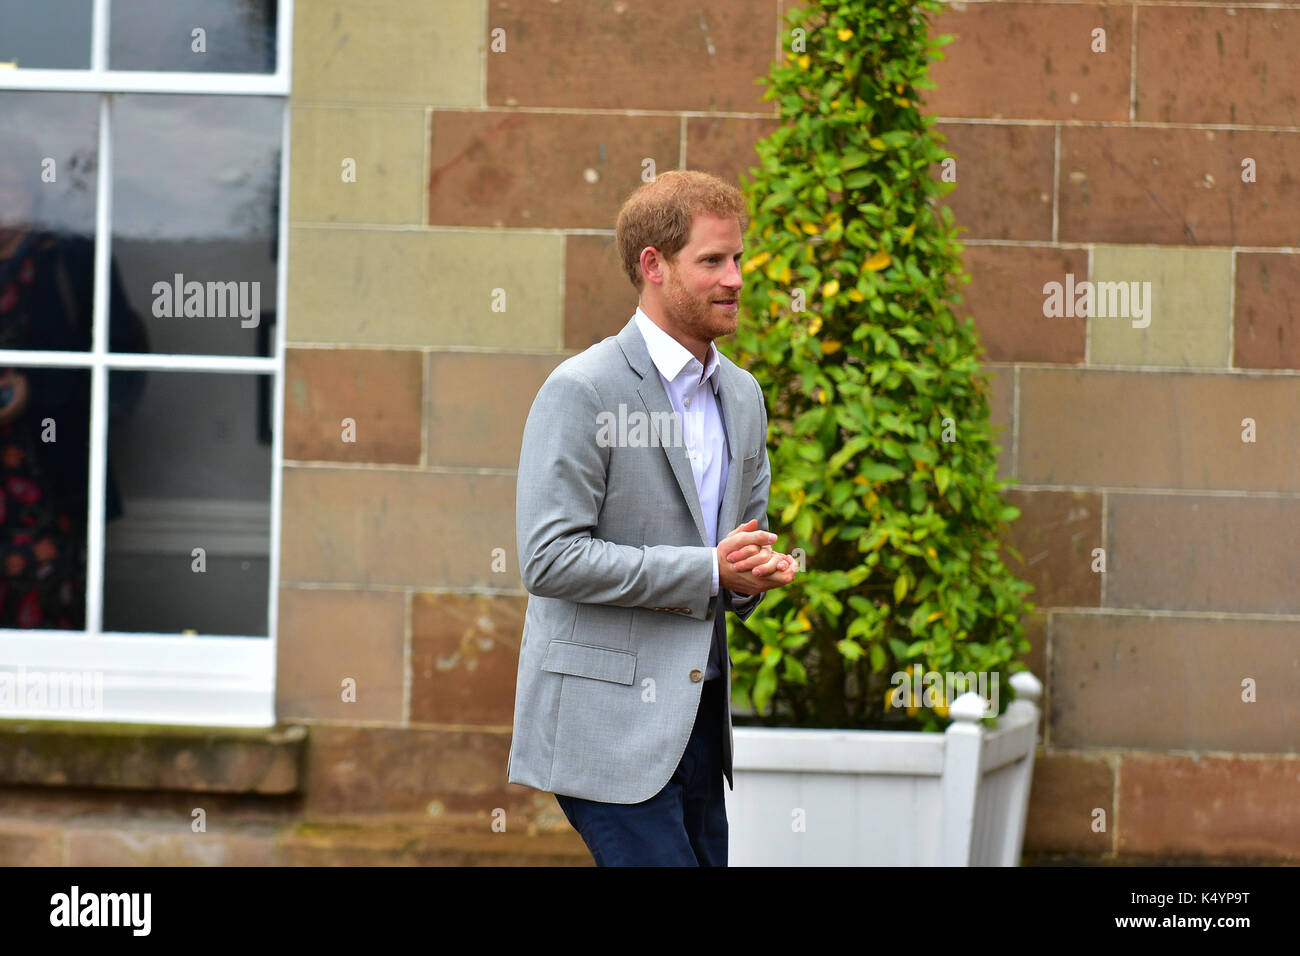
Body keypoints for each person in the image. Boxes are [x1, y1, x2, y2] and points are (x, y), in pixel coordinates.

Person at [507, 169, 798, 866]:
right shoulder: (582, 389)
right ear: (654, 267)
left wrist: (749, 575)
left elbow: (732, 553)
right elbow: (549, 559)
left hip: (700, 725)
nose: (734, 278)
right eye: (712, 261)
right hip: (604, 728)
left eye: (737, 258)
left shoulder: (744, 396)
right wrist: (708, 569)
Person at [0, 157, 147, 630]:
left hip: (46, 477)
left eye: (11, 185)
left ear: (33, 193)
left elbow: (123, 365)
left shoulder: (70, 259)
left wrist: (35, 394)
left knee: (46, 613)